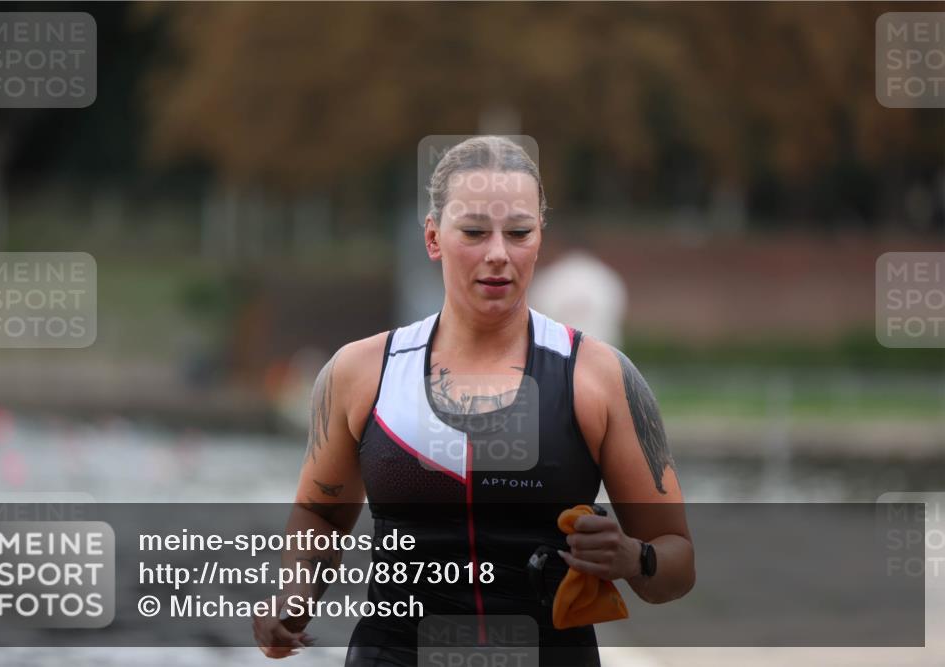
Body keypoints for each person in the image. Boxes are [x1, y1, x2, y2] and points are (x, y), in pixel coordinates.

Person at [253, 136, 695, 665]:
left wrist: (633, 558)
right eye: (475, 232)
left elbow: (677, 561)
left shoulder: (600, 378)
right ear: (434, 238)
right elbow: (320, 516)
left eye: (518, 233)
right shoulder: (360, 372)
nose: (498, 255)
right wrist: (294, 593)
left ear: (539, 239)